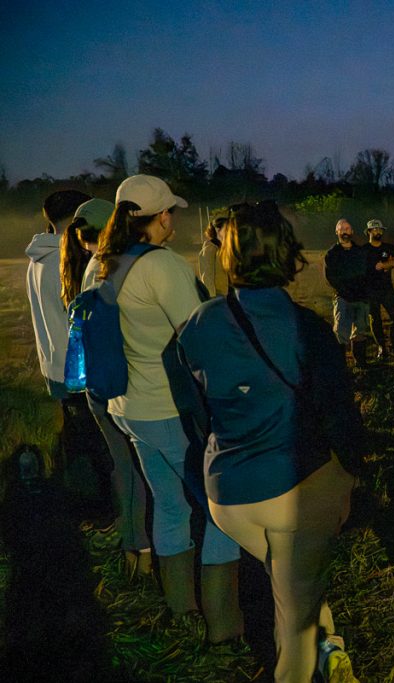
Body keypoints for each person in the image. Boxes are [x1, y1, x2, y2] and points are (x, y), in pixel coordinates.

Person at [179, 200, 364, 683]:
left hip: (228, 498)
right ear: (287, 255)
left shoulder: (197, 325)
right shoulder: (309, 331)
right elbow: (342, 421)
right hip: (293, 493)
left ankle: (330, 641)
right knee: (295, 630)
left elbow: (198, 414)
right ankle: (308, 655)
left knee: (293, 580)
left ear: (227, 254)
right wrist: (351, 480)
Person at [93, 174, 242, 643]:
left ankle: (181, 609)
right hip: (168, 410)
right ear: (160, 217)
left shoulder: (101, 262)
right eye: (170, 212)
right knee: (221, 511)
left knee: (170, 504)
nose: (173, 219)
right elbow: (199, 337)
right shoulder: (162, 266)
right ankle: (223, 626)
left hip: (125, 407)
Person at [63, 198, 153, 578]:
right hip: (117, 383)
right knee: (136, 470)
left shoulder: (84, 269)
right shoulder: (112, 268)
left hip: (94, 385)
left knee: (122, 468)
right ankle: (145, 554)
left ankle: (134, 550)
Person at [27, 188, 113, 521]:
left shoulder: (38, 257)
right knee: (98, 449)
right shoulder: (66, 260)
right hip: (77, 368)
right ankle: (102, 513)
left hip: (54, 365)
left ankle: (79, 508)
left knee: (78, 444)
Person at [324, 218, 371, 367]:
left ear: (352, 232)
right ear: (337, 232)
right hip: (343, 298)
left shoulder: (360, 252)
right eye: (341, 228)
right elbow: (330, 277)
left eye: (347, 228)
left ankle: (361, 363)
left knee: (360, 332)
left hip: (361, 298)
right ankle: (339, 365)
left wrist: (364, 291)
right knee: (340, 333)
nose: (345, 231)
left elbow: (367, 273)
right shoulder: (332, 254)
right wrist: (345, 291)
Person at [364, 218, 394, 359]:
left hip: (387, 289)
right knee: (375, 319)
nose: (378, 231)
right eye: (375, 229)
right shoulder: (364, 250)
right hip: (370, 291)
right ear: (369, 231)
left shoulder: (388, 247)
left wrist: (384, 265)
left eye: (380, 229)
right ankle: (382, 347)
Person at [197, 212, 229, 297]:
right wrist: (211, 296)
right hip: (219, 295)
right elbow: (207, 275)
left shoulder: (229, 246)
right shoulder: (210, 248)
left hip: (231, 293)